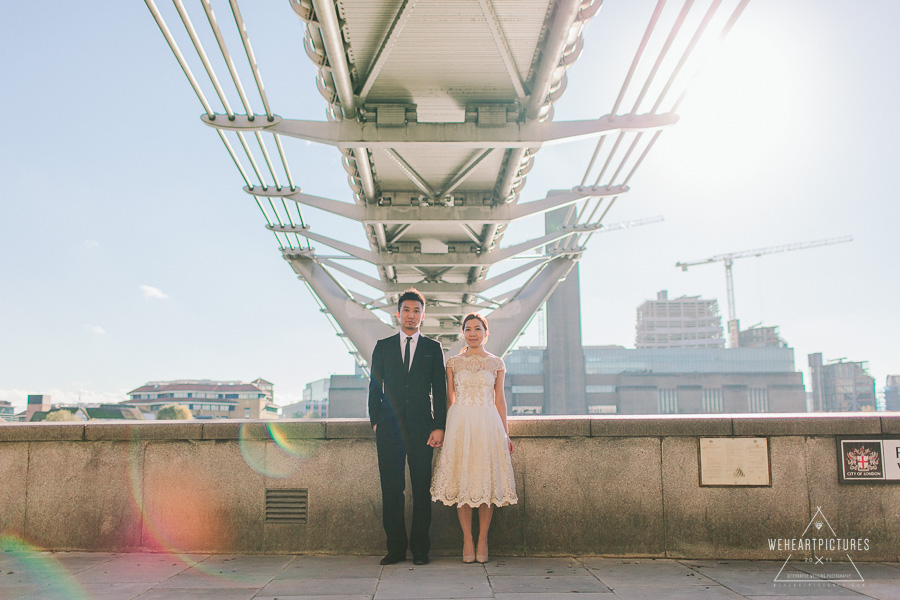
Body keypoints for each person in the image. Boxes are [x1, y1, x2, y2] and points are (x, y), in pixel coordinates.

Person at [368, 288, 447, 566]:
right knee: (391, 490)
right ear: (398, 313)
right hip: (389, 429)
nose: (411, 315)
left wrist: (439, 426)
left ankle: (421, 550)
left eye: (416, 311)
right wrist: (375, 421)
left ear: (423, 315)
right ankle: (395, 549)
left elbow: (440, 389)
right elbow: (375, 387)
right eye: (406, 310)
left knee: (421, 489)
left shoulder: (432, 348)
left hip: (422, 429)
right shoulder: (383, 346)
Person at [431, 313, 517, 564]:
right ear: (463, 333)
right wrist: (446, 429)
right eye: (467, 329)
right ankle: (467, 538)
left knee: (485, 481)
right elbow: (449, 399)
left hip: (488, 423)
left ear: (485, 333)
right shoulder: (453, 363)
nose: (472, 333)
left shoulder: (497, 363)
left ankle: (483, 539)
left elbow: (500, 400)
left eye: (477, 329)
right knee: (463, 481)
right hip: (460, 422)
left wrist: (506, 433)